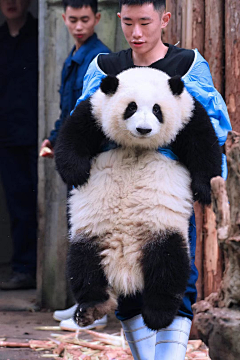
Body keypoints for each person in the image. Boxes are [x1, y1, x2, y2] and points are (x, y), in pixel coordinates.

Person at [69, 0, 232, 359]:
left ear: (164, 19)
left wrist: (208, 177)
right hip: (111, 190)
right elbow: (82, 123)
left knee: (171, 277)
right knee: (124, 282)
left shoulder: (186, 66)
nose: (136, 33)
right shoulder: (105, 67)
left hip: (163, 190)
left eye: (145, 22)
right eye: (128, 23)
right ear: (119, 20)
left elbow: (209, 127)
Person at [39, 0, 110, 331]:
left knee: (93, 235)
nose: (79, 26)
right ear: (64, 19)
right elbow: (67, 109)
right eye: (73, 20)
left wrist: (69, 144)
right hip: (75, 153)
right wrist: (53, 139)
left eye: (85, 20)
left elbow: (92, 114)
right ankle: (85, 303)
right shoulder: (73, 56)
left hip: (92, 158)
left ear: (96, 18)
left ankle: (99, 310)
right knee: (82, 232)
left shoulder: (98, 59)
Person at [0, 0, 38, 290]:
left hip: (37, 136)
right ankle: (23, 268)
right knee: (18, 204)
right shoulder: (0, 40)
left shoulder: (40, 37)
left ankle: (40, 271)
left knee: (42, 203)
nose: (11, 3)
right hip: (7, 137)